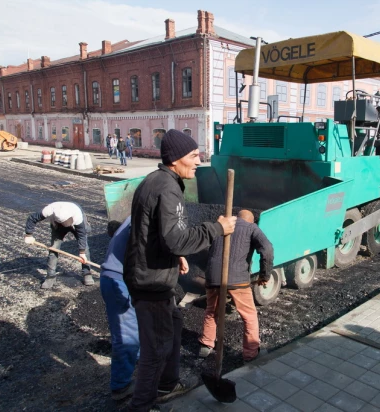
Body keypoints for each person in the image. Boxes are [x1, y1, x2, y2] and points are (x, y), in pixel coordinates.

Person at [124, 129, 236, 412]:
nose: (199, 161)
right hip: (151, 283)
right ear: (175, 159)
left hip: (153, 273)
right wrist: (217, 227)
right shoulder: (168, 188)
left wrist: (176, 257)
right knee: (156, 349)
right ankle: (143, 405)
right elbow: (174, 238)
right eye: (193, 156)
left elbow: (155, 235)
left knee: (173, 321)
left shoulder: (155, 180)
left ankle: (165, 385)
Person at [199, 209, 273, 362]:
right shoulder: (251, 227)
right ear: (250, 221)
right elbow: (267, 250)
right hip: (237, 278)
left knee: (211, 310)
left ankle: (206, 344)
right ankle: (251, 353)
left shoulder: (221, 224)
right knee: (249, 315)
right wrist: (264, 275)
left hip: (212, 276)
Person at [100, 217, 139, 401]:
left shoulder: (138, 213)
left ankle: (137, 360)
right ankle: (121, 386)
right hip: (119, 280)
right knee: (127, 336)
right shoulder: (142, 220)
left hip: (118, 277)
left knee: (135, 327)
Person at [24, 201, 93, 289]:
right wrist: (28, 235)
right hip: (57, 226)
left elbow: (81, 235)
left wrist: (82, 252)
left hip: (77, 225)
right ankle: (50, 276)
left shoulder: (77, 215)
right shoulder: (49, 210)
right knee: (54, 249)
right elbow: (32, 218)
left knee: (85, 247)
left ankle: (87, 273)